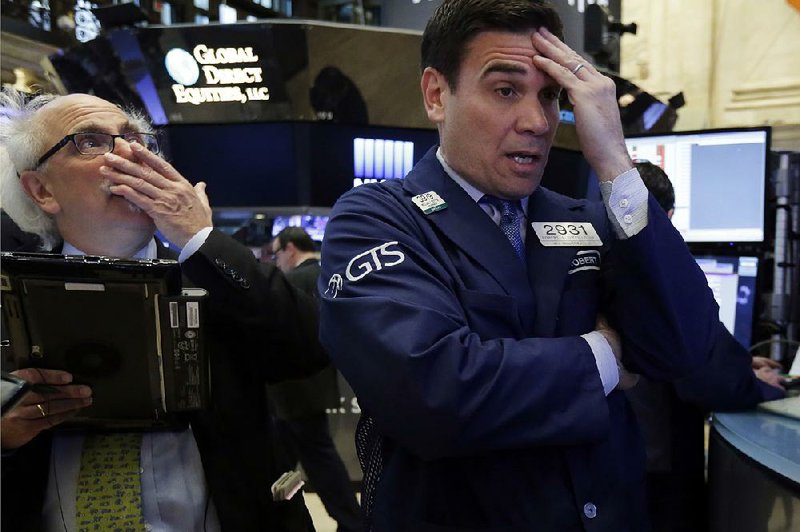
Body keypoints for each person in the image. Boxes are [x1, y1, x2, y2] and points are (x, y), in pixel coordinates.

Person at [316, 1, 784, 530]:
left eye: (550, 96)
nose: (537, 122)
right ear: (437, 94)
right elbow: (437, 392)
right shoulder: (378, 220)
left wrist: (613, 160)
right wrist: (606, 355)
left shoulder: (587, 215)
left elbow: (686, 344)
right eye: (506, 90)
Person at [0, 88, 327, 531]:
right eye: (91, 141)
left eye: (138, 139)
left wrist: (201, 239)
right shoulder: (9, 298)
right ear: (41, 190)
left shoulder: (213, 278)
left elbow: (308, 347)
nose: (131, 153)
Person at [627, 160, 785, 532]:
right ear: (666, 215)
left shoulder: (584, 255)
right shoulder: (659, 270)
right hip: (654, 473)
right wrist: (763, 388)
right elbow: (705, 374)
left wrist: (741, 363)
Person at [267, 227, 362, 532]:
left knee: (318, 460)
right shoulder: (328, 276)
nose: (276, 259)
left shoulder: (289, 282)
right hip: (316, 384)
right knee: (289, 459)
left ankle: (352, 521)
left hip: (292, 389)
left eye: (277, 252)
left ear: (290, 248)